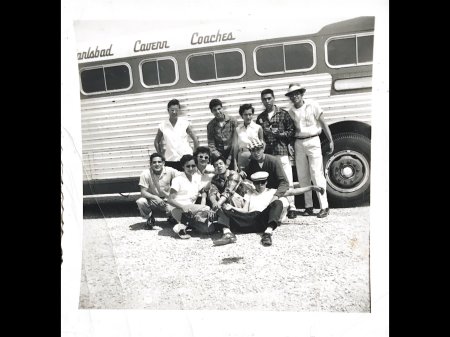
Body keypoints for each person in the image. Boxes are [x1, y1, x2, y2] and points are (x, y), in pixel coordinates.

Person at [213, 171, 324, 247]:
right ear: (254, 183)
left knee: (278, 202)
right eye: (257, 182)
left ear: (266, 182)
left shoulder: (272, 192)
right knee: (221, 208)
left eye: (262, 182)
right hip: (247, 219)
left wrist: (312, 187)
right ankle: (228, 234)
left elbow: (293, 191)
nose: (260, 185)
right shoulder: (250, 193)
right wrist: (231, 207)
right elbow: (245, 211)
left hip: (262, 219)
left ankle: (268, 233)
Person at [285, 83, 334, 218]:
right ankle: (309, 206)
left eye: (297, 93)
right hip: (298, 143)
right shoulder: (290, 112)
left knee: (316, 173)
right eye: (292, 95)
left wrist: (330, 140)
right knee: (302, 175)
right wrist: (290, 143)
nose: (294, 97)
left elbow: (323, 123)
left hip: (313, 140)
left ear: (302, 94)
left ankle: (324, 206)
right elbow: (291, 130)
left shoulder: (313, 105)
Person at [256, 88, 297, 216]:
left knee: (287, 179)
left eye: (269, 98)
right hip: (268, 154)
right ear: (262, 101)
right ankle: (278, 206)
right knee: (273, 181)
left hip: (281, 151)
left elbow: (291, 132)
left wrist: (277, 133)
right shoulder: (260, 118)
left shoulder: (283, 114)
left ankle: (292, 207)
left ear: (273, 98)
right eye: (264, 99)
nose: (267, 101)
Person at [167, 154, 211, 239]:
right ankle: (181, 225)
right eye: (188, 166)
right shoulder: (178, 180)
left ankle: (182, 226)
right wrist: (183, 207)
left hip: (191, 211)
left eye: (193, 166)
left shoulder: (196, 178)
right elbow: (170, 199)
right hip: (179, 209)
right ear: (183, 166)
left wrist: (203, 202)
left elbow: (203, 191)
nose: (191, 169)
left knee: (208, 229)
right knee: (207, 209)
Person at [136, 153, 180, 229]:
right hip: (153, 200)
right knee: (141, 201)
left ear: (163, 163)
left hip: (167, 199)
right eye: (154, 162)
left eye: (159, 162)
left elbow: (182, 176)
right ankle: (149, 219)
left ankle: (172, 217)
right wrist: (156, 198)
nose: (157, 164)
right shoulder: (145, 174)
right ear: (150, 164)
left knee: (173, 208)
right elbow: (143, 192)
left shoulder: (170, 170)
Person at [154, 99, 199, 171]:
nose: (174, 112)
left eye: (176, 110)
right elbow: (156, 142)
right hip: (170, 159)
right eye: (172, 110)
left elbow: (195, 139)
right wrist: (160, 155)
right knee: (172, 180)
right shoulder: (163, 125)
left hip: (185, 159)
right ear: (168, 110)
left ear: (179, 110)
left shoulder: (184, 123)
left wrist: (194, 154)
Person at [206, 98, 238, 168]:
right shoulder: (210, 125)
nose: (217, 112)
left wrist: (230, 158)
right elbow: (211, 144)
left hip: (232, 152)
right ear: (211, 111)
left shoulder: (232, 121)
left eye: (219, 109)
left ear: (222, 108)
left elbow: (236, 141)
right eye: (214, 110)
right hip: (218, 154)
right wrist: (219, 157)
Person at [233, 103, 263, 171]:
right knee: (243, 179)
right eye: (245, 115)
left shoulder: (258, 128)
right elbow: (235, 148)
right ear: (242, 116)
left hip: (255, 156)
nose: (248, 117)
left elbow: (262, 145)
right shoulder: (238, 129)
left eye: (250, 114)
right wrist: (235, 164)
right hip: (242, 156)